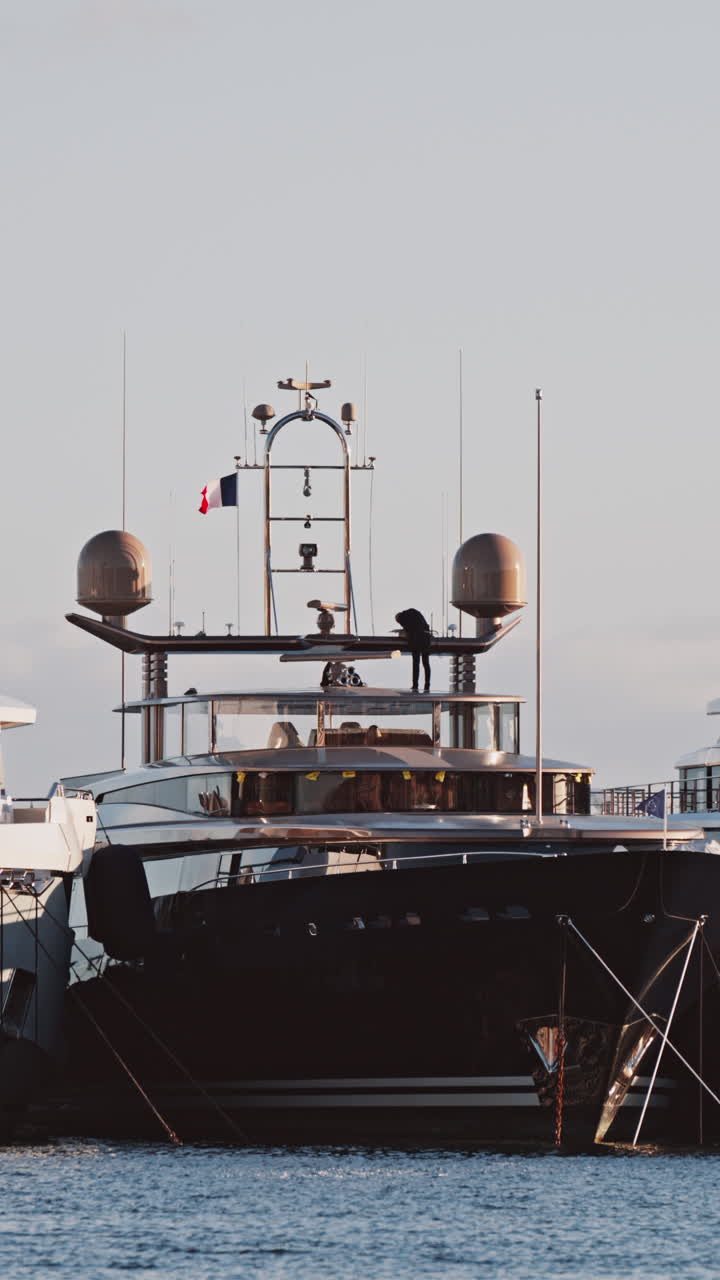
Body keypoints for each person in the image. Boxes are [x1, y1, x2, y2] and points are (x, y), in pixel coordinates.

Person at [395, 608, 432, 692]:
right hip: (426, 637)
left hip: (416, 639)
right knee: (426, 663)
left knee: (416, 663)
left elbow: (407, 629)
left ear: (398, 618)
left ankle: (415, 685)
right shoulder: (413, 611)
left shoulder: (402, 618)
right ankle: (427, 684)